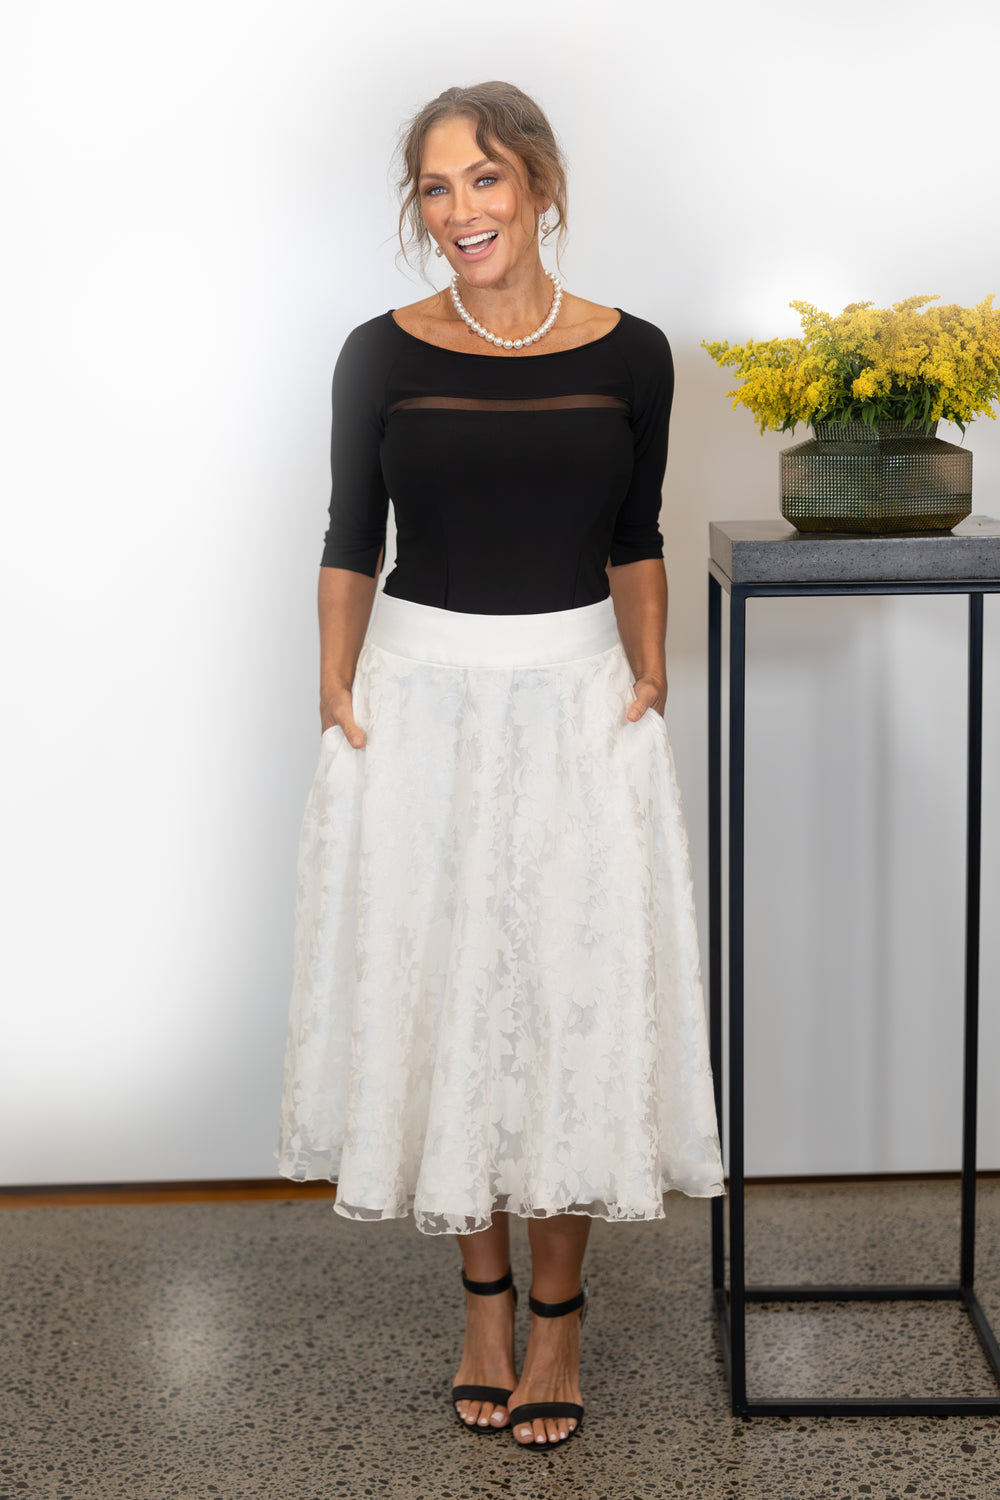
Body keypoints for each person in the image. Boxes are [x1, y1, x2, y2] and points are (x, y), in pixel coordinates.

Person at [277, 81, 724, 1450]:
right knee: (446, 999)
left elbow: (635, 529)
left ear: (539, 187)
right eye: (435, 188)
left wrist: (650, 676)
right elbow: (355, 531)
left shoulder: (635, 351)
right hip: (417, 707)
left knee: (574, 1003)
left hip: (579, 701)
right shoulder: (378, 351)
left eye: (484, 181)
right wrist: (333, 691)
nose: (461, 211)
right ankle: (482, 1304)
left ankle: (561, 1319)